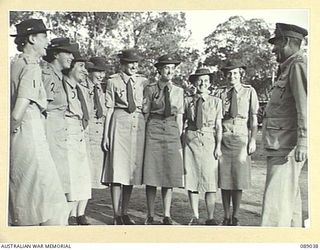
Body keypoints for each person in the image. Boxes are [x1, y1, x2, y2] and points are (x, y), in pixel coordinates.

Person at [9, 19, 68, 226]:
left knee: (27, 197)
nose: (47, 42)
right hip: (30, 135)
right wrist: (11, 132)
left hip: (20, 138)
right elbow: (17, 114)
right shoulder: (32, 68)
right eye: (43, 37)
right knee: (52, 205)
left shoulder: (15, 64)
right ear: (32, 39)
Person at [261, 23, 308, 227]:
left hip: (286, 146)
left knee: (275, 208)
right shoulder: (288, 67)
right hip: (281, 144)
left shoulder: (297, 65)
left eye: (276, 43)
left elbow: (305, 106)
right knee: (289, 206)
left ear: (287, 42)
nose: (273, 49)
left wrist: (304, 142)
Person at [102, 49, 148, 225]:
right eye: (130, 63)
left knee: (130, 172)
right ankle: (115, 214)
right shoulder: (113, 81)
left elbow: (146, 106)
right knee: (117, 170)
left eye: (136, 63)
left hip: (137, 125)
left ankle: (125, 212)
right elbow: (109, 109)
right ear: (122, 64)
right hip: (119, 124)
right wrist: (106, 136)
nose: (134, 66)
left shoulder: (143, 81)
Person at [215, 60, 259, 226]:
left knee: (238, 179)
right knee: (225, 179)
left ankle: (235, 215)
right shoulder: (221, 93)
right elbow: (216, 119)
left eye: (235, 73)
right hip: (224, 137)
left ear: (241, 74)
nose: (232, 76)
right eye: (229, 73)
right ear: (225, 75)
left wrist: (253, 140)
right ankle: (226, 216)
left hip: (241, 137)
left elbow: (254, 118)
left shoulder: (249, 92)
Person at [143, 54, 184, 225]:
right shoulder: (150, 89)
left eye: (172, 68)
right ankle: (150, 214)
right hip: (154, 128)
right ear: (159, 70)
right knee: (152, 174)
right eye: (166, 67)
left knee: (169, 173)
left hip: (171, 130)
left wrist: (178, 136)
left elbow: (180, 116)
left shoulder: (179, 91)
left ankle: (167, 214)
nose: (169, 71)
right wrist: (144, 135)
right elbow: (146, 113)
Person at [183, 68, 222, 226]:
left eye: (206, 80)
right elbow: (182, 123)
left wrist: (218, 146)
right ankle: (195, 215)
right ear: (194, 83)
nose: (202, 83)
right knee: (192, 180)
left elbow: (219, 126)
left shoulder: (216, 101)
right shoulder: (187, 101)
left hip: (209, 141)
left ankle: (210, 216)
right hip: (191, 141)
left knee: (209, 181)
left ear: (210, 83)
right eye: (199, 80)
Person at [42, 37, 77, 195]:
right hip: (50, 130)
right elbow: (42, 107)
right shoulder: (47, 74)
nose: (72, 57)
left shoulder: (59, 76)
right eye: (68, 53)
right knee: (52, 181)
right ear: (56, 54)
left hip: (59, 131)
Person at [63, 47, 92, 225]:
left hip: (80, 133)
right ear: (71, 67)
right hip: (67, 132)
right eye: (81, 66)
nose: (85, 71)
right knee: (72, 176)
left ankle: (79, 213)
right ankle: (70, 215)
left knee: (82, 175)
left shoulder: (81, 89)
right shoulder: (61, 85)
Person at [85, 57, 108, 189]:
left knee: (95, 178)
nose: (101, 76)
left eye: (103, 72)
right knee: (84, 176)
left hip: (99, 134)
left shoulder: (100, 90)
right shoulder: (81, 87)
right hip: (87, 133)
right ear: (89, 71)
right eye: (98, 72)